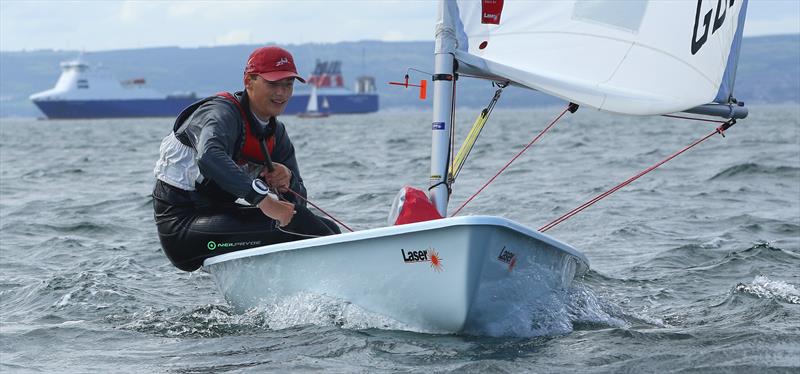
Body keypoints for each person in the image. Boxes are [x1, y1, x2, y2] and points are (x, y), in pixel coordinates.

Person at [152, 46, 340, 271]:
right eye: (272, 84)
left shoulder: (276, 134)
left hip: (221, 218)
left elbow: (297, 204)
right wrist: (264, 201)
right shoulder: (219, 114)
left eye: (288, 85)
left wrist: (287, 180)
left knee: (327, 229)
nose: (281, 93)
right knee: (303, 228)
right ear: (249, 81)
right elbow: (209, 157)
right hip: (182, 230)